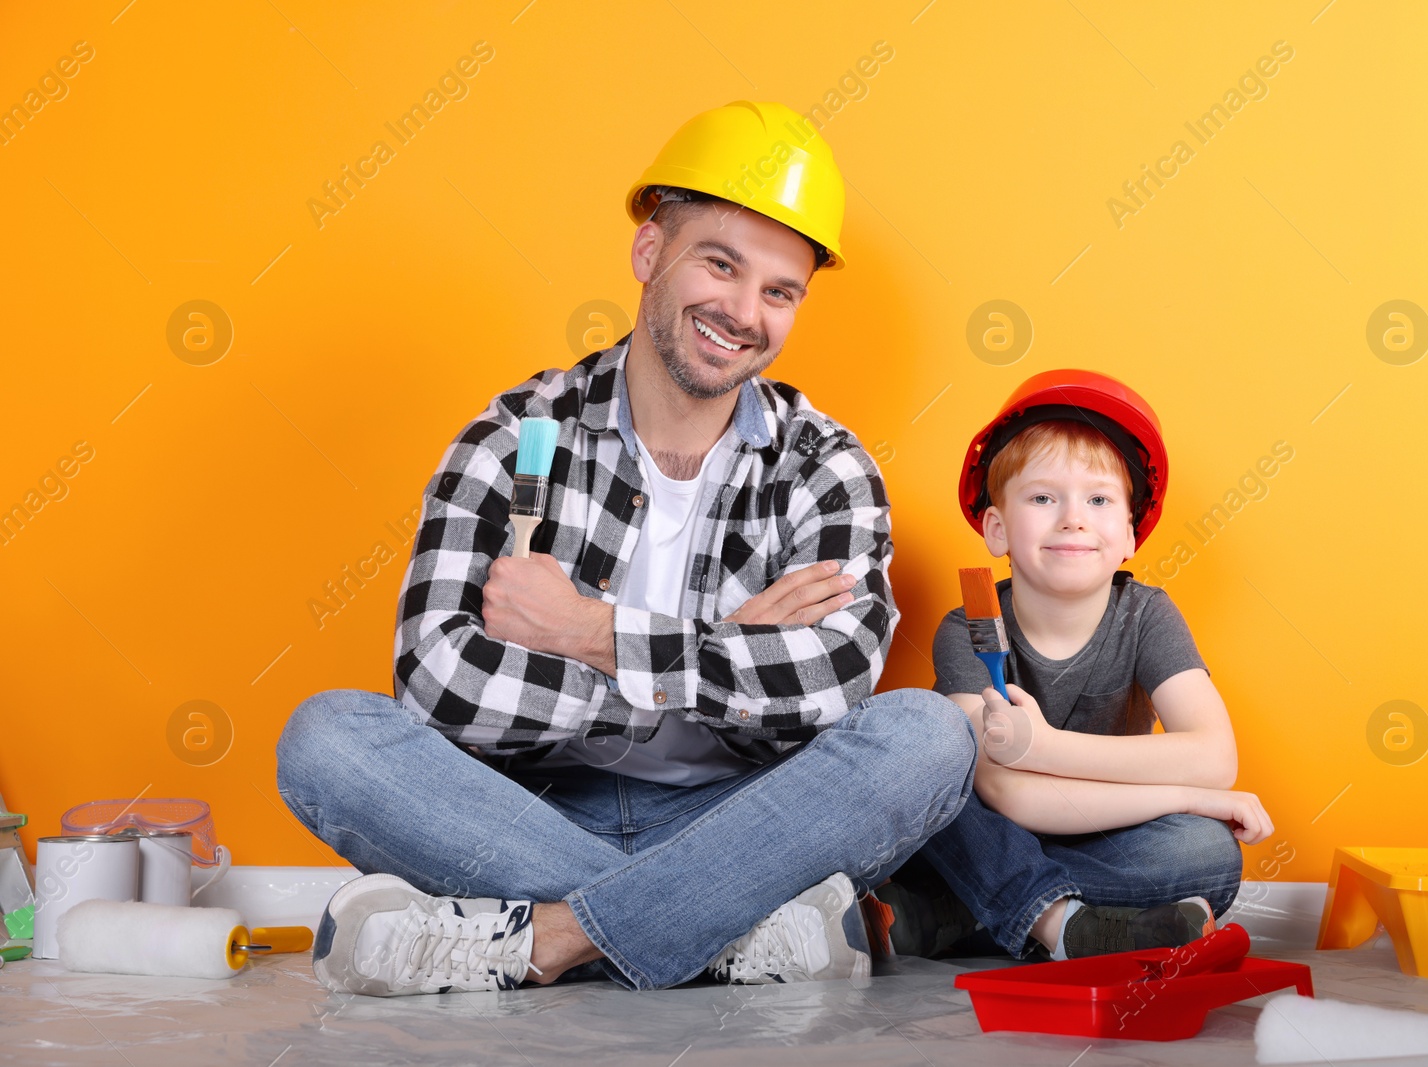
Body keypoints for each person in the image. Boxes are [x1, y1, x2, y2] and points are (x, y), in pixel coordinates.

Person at [274, 100, 975, 997]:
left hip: (741, 814)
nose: (743, 311)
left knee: (928, 735)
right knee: (326, 737)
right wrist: (712, 653)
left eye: (779, 290)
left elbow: (833, 681)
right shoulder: (514, 435)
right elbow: (436, 680)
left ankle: (545, 938)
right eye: (719, 264)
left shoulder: (823, 464)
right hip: (527, 805)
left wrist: (588, 629)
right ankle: (723, 929)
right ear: (651, 254)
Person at [875, 370, 1273, 963]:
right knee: (940, 802)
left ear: (1131, 534)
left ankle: (967, 913)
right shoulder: (967, 630)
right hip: (995, 833)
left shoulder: (1146, 617)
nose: (1073, 518)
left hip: (1108, 834)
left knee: (1207, 855)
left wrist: (1043, 746)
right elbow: (1003, 792)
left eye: (1099, 498)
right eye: (1042, 497)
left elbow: (1215, 758)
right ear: (996, 527)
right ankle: (1063, 922)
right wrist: (1183, 793)